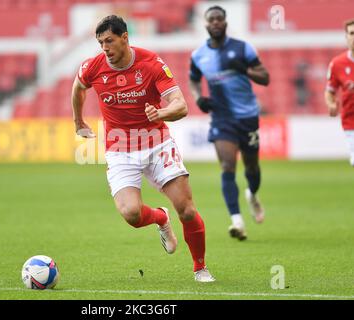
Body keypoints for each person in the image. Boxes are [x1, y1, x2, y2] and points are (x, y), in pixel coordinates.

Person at [71, 15, 215, 282]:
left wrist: (160, 112)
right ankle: (161, 218)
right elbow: (79, 87)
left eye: (109, 41)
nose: (105, 48)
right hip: (120, 149)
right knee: (131, 214)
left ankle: (200, 267)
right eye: (101, 42)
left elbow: (180, 105)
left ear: (125, 38)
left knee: (187, 209)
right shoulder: (93, 67)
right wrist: (79, 121)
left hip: (156, 144)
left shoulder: (151, 63)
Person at [188, 6, 270, 241]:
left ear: (225, 22)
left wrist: (244, 69)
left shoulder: (243, 48)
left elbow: (265, 78)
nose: (215, 22)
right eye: (211, 19)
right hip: (222, 118)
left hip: (247, 117)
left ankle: (252, 195)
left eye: (219, 19)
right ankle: (237, 220)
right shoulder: (199, 55)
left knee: (252, 167)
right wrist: (198, 98)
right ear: (205, 24)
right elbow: (193, 81)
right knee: (227, 166)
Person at [325, 19, 354, 167]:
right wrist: (331, 103)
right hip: (351, 123)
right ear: (346, 37)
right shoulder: (337, 63)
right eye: (352, 33)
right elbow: (330, 90)